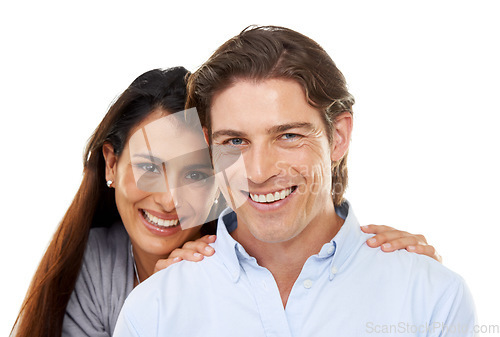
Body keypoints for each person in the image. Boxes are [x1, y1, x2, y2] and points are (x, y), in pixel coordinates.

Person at [11, 66, 440, 337]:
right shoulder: (92, 266)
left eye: (196, 173)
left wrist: (389, 268)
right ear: (110, 163)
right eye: (149, 167)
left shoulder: (251, 247)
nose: (168, 199)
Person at [113, 26, 476, 336]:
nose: (258, 172)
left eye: (288, 136)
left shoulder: (432, 298)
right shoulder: (153, 311)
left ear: (338, 137)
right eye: (235, 141)